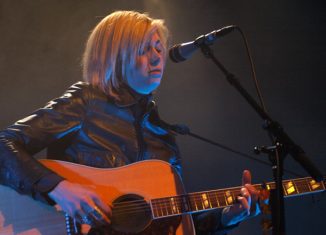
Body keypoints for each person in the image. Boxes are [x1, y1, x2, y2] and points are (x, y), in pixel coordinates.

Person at [0, 11, 260, 234]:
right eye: (145, 49)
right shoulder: (87, 102)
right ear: (116, 56)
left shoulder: (163, 136)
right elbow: (4, 145)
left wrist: (228, 216)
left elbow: (174, 224)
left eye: (159, 47)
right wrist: (59, 188)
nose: (158, 57)